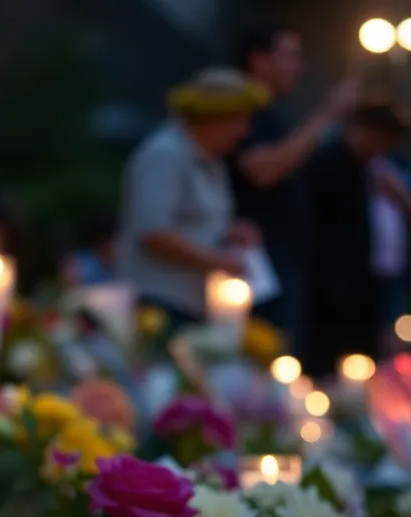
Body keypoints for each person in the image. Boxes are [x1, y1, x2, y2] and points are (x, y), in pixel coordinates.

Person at [227, 23, 360, 343]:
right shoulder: (240, 112)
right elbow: (263, 169)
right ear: (259, 61)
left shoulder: (271, 114)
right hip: (253, 268)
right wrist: (329, 114)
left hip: (281, 264)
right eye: (291, 57)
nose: (300, 68)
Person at [116, 68, 268, 327]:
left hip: (191, 305)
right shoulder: (165, 154)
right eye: (240, 120)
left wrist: (231, 233)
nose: (245, 131)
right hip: (157, 306)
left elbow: (198, 225)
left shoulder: (213, 164)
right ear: (213, 116)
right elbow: (153, 233)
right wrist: (220, 262)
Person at [302, 103, 411, 377]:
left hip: (366, 280)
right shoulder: (327, 163)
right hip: (329, 285)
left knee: (364, 360)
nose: (382, 148)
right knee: (326, 361)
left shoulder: (373, 168)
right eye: (380, 140)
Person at [370, 148, 411, 342]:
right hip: (356, 267)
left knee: (393, 328)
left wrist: (397, 190)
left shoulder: (400, 164)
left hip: (395, 265)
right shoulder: (341, 159)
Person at [61, 215, 117, 285]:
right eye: (112, 242)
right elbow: (67, 277)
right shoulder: (85, 260)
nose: (115, 247)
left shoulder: (118, 262)